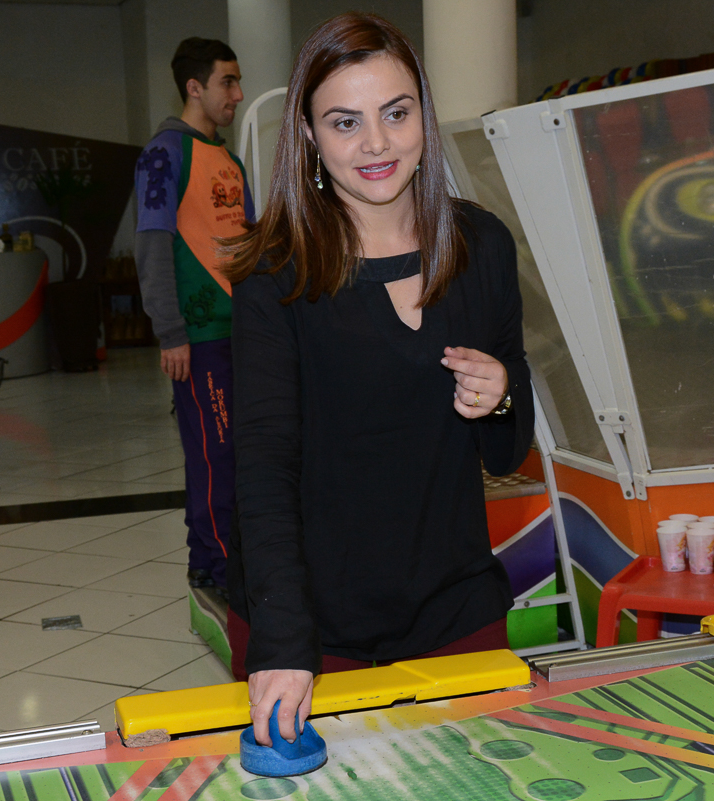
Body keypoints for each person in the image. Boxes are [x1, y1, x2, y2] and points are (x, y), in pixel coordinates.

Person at [221, 13, 534, 747]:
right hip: (317, 626)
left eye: (396, 113)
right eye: (344, 121)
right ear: (308, 137)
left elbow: (505, 451)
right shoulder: (278, 275)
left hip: (456, 607)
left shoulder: (482, 244)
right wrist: (284, 639)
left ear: (422, 110)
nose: (376, 144)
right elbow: (263, 466)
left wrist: (503, 390)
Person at [135, 37, 252, 603]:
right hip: (199, 339)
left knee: (239, 451)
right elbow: (152, 245)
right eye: (228, 81)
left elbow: (248, 244)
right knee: (215, 451)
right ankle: (218, 566)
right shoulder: (165, 154)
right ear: (195, 87)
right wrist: (170, 331)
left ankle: (217, 557)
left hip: (244, 335)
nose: (238, 93)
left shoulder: (229, 159)